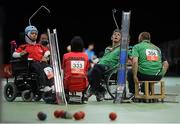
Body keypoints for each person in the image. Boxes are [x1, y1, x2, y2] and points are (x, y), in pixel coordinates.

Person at [12, 25, 54, 92]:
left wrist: (45, 56)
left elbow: (47, 51)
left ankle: (52, 85)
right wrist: (20, 54)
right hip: (31, 64)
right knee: (40, 68)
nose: (34, 35)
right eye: (32, 33)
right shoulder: (24, 46)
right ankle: (43, 86)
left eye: (35, 34)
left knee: (49, 68)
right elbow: (14, 54)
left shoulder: (39, 45)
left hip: (41, 62)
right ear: (27, 35)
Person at [127, 32, 169, 96]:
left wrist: (135, 76)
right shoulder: (157, 48)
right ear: (149, 39)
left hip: (144, 75)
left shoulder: (137, 46)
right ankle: (146, 92)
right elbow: (166, 64)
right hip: (157, 76)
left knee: (130, 72)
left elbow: (135, 62)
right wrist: (160, 76)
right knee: (148, 71)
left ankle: (133, 93)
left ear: (140, 38)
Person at [87, 29, 121, 101]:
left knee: (96, 67)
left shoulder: (122, 49)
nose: (116, 36)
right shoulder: (107, 49)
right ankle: (101, 90)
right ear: (111, 37)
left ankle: (93, 90)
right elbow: (103, 59)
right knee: (88, 75)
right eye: (115, 34)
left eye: (118, 35)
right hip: (100, 66)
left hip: (110, 68)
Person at [62, 36, 89, 101]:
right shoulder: (85, 56)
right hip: (82, 85)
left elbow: (63, 68)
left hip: (68, 85)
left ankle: (66, 93)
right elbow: (86, 69)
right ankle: (84, 93)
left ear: (71, 45)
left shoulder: (65, 55)